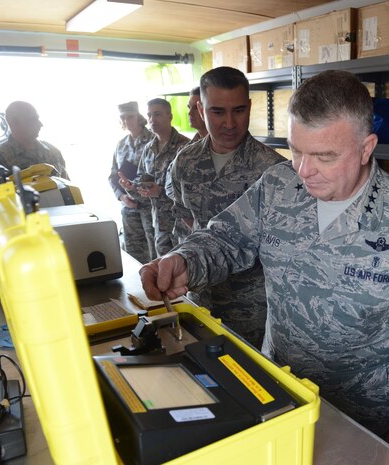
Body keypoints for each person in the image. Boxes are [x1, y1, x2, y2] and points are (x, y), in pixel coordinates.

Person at [141, 69, 389, 456]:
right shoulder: (277, 185)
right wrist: (184, 260)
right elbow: (225, 237)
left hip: (363, 420)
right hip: (280, 393)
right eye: (297, 150)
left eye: (324, 156)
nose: (304, 170)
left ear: (367, 147)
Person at [167, 67, 285, 348]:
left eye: (239, 110)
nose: (230, 123)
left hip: (253, 308)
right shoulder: (185, 161)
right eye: (218, 112)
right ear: (200, 108)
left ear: (250, 107)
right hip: (199, 296)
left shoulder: (273, 169)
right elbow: (182, 218)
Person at [120, 98, 189, 257]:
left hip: (182, 225)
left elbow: (194, 189)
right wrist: (131, 187)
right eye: (149, 115)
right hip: (158, 225)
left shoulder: (186, 147)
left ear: (170, 116)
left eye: (157, 114)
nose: (152, 120)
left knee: (186, 275)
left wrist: (162, 191)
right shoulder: (148, 149)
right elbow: (143, 184)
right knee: (162, 273)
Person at [108, 101, 155, 264]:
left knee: (156, 252)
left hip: (150, 207)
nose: (127, 121)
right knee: (134, 255)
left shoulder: (154, 140)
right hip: (129, 208)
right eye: (123, 117)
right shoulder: (121, 144)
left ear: (139, 117)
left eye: (130, 116)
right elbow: (113, 176)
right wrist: (122, 197)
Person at [0, 101, 68, 185]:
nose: (40, 124)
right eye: (33, 119)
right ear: (15, 123)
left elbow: (69, 188)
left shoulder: (53, 152)